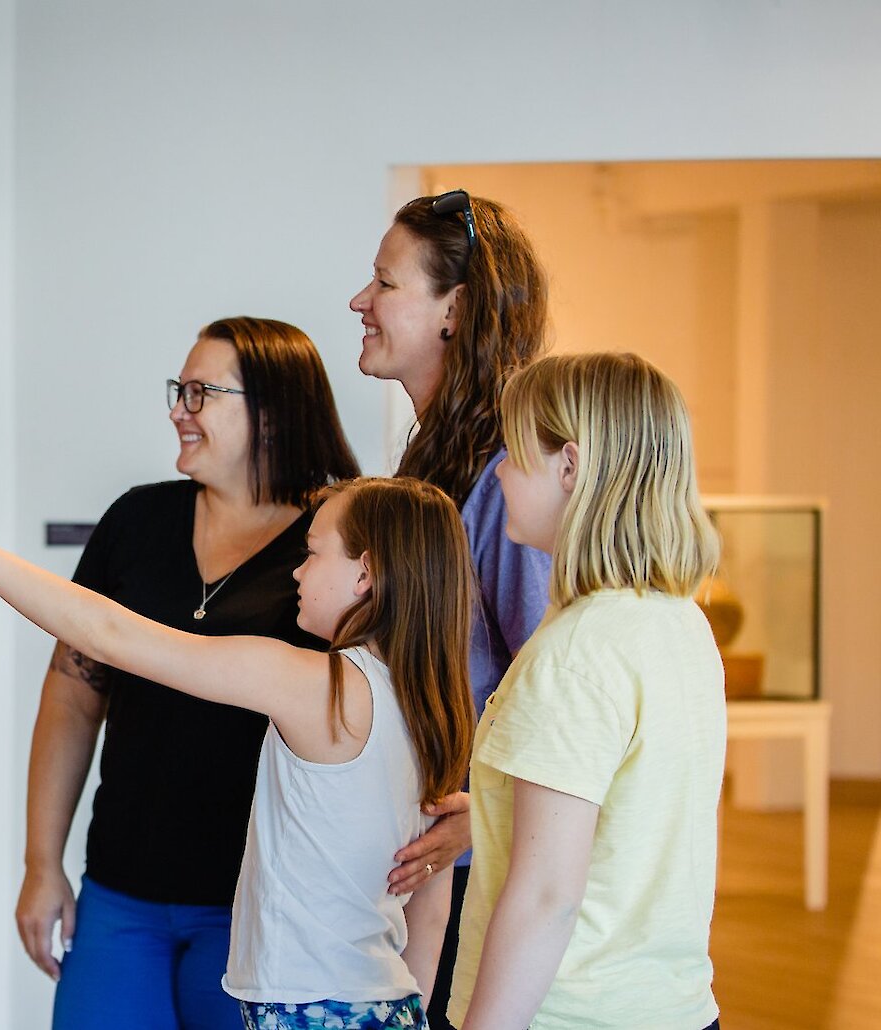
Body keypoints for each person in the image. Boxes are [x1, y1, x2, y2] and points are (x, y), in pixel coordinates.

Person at [0, 476, 474, 1029]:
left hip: (307, 1010)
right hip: (387, 1003)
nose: (296, 571)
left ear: (365, 573)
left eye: (313, 553)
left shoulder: (316, 686)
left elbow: (109, 634)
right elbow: (430, 907)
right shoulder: (437, 707)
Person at [16, 317, 360, 1030]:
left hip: (258, 908)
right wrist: (41, 861)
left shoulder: (333, 545)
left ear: (273, 411)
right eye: (180, 390)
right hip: (119, 896)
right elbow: (74, 697)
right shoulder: (136, 521)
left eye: (201, 393)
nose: (179, 410)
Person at [449, 353, 724, 1030]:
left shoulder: (574, 654)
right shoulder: (679, 620)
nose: (502, 473)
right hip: (673, 1007)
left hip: (565, 1014)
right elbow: (627, 813)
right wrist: (485, 816)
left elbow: (547, 897)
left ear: (570, 466)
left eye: (513, 453)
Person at [348, 190, 554, 1028]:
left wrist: (488, 818)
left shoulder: (508, 472)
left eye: (384, 284)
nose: (360, 302)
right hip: (418, 860)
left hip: (469, 881)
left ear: (453, 310)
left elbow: (553, 684)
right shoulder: (432, 454)